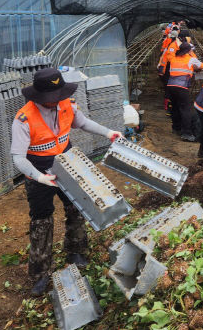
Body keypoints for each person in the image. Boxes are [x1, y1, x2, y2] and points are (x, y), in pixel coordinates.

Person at [10, 68, 122, 296]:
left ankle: (76, 250)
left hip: (66, 161)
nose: (56, 102)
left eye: (58, 97)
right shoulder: (24, 118)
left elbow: (83, 123)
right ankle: (40, 273)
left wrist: (109, 132)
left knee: (76, 206)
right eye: (51, 99)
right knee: (41, 219)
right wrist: (40, 177)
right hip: (37, 168)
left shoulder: (67, 105)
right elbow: (18, 158)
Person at [167, 42, 203, 142]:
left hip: (170, 86)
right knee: (186, 109)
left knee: (175, 107)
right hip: (181, 87)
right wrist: (191, 54)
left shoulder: (173, 59)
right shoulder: (190, 59)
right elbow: (201, 65)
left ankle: (176, 127)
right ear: (188, 51)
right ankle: (186, 133)